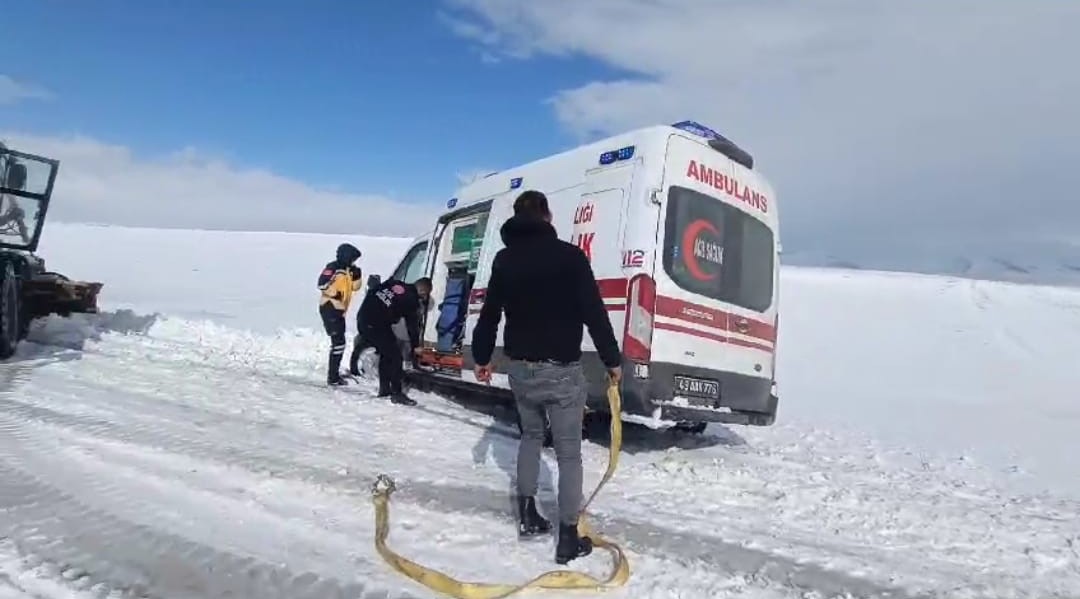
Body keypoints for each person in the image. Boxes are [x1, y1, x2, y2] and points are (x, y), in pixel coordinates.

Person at [470, 189, 622, 565]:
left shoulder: (505, 260)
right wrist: (612, 360)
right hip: (562, 370)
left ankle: (527, 515)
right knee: (569, 452)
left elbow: (490, 314)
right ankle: (568, 538)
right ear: (548, 216)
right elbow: (593, 311)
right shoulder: (570, 257)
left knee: (531, 437)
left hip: (520, 368)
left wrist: (482, 357)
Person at [357, 276, 432, 406]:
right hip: (376, 324)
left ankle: (384, 389)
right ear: (422, 292)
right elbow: (412, 326)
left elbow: (374, 290)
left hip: (364, 317)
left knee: (387, 353)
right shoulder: (411, 299)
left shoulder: (395, 283)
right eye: (424, 296)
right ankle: (397, 394)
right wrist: (416, 346)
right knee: (396, 357)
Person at [317, 243, 363, 386]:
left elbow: (355, 288)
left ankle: (334, 375)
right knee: (338, 343)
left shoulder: (348, 270)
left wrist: (357, 276)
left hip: (340, 309)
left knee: (339, 344)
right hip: (330, 306)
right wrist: (334, 293)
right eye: (353, 259)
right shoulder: (333, 268)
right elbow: (321, 284)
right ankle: (333, 377)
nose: (354, 262)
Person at [348, 273, 383, 376]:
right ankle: (358, 369)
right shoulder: (377, 295)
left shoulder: (372, 295)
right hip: (371, 327)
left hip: (366, 325)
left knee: (360, 344)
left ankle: (356, 369)